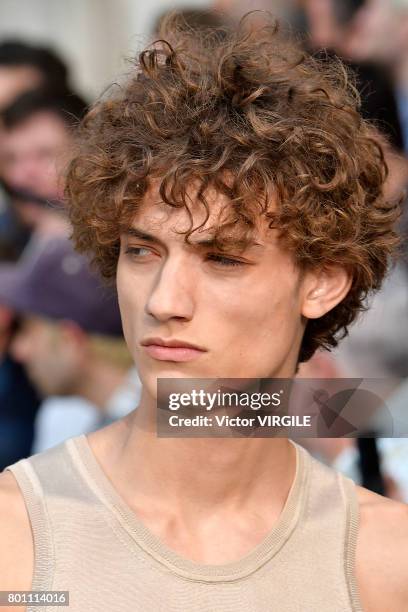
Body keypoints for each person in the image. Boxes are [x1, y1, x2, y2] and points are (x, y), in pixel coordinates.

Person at [1, 14, 407, 612]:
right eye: (141, 251)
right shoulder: (17, 541)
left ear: (321, 282)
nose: (164, 301)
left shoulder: (385, 560)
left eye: (222, 258)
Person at [0, 236, 140, 452]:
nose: (19, 350)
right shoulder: (68, 416)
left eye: (27, 331)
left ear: (70, 340)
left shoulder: (185, 414)